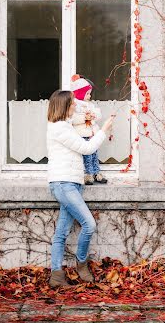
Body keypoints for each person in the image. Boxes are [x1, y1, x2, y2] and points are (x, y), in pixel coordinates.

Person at [47, 89, 114, 288]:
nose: (76, 107)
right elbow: (86, 148)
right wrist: (104, 130)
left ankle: (56, 276)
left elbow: (80, 129)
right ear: (64, 106)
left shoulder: (65, 126)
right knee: (89, 224)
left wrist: (89, 117)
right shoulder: (59, 128)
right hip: (63, 183)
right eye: (73, 104)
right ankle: (81, 264)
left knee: (62, 232)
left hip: (71, 183)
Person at [70, 74, 108, 185]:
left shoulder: (90, 105)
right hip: (83, 135)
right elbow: (72, 119)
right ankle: (89, 174)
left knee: (94, 154)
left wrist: (94, 115)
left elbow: (98, 114)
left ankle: (97, 172)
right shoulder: (75, 106)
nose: (89, 96)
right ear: (80, 94)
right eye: (87, 94)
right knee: (87, 155)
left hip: (92, 134)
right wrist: (84, 117)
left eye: (89, 94)